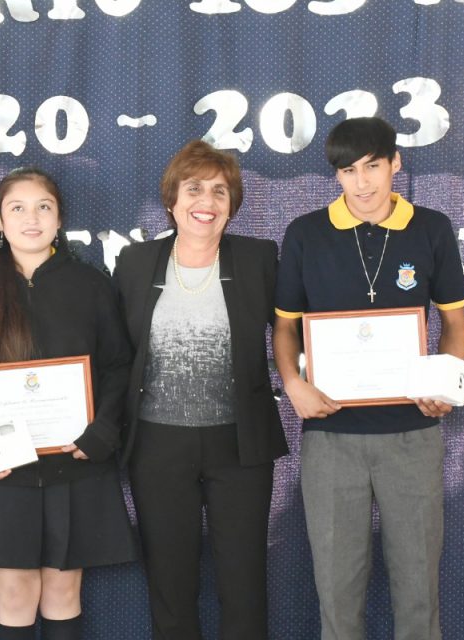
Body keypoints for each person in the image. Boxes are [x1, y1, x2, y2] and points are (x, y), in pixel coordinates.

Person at [274, 116, 464, 640]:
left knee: (418, 589)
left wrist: (444, 384)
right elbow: (285, 328)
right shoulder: (305, 234)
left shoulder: (431, 228)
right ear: (335, 175)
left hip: (413, 434)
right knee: (337, 592)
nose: (362, 183)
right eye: (348, 171)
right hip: (332, 439)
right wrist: (293, 385)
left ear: (395, 163)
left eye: (373, 167)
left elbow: (453, 322)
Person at [0, 168, 137, 640]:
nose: (32, 218)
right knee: (16, 594)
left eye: (43, 207)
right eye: (17, 208)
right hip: (6, 469)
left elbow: (117, 367)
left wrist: (101, 435)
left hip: (77, 462)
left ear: (59, 218)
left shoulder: (90, 285)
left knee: (65, 593)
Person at [113, 140, 288, 640]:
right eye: (194, 189)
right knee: (170, 584)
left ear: (232, 202)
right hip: (156, 445)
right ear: (172, 199)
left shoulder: (259, 258)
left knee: (244, 583)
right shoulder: (134, 262)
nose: (206, 201)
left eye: (219, 190)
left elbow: (295, 329)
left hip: (240, 444)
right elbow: (115, 353)